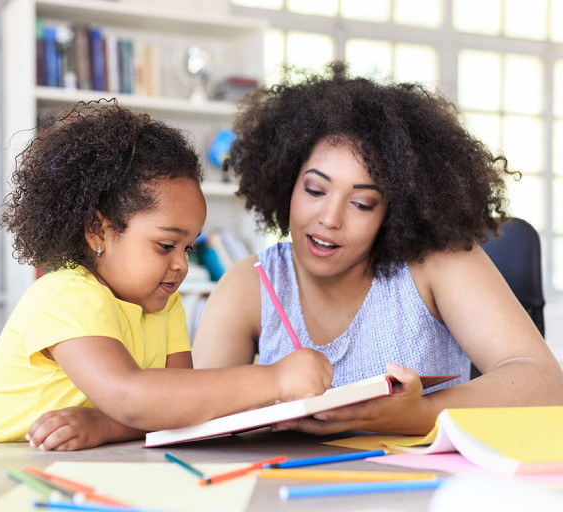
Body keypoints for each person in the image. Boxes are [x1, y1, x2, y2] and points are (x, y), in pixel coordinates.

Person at [192, 62, 563, 436]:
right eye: (315, 190)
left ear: (395, 210)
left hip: (419, 491)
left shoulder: (436, 263)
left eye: (362, 203)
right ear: (287, 181)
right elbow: (188, 414)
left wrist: (420, 413)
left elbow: (547, 385)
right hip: (284, 487)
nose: (330, 218)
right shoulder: (252, 283)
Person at [0, 101, 333, 450]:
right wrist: (276, 379)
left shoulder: (167, 308)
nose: (181, 264)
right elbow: (133, 398)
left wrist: (102, 426)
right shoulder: (66, 296)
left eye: (188, 248)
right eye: (166, 245)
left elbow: (177, 408)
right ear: (97, 231)